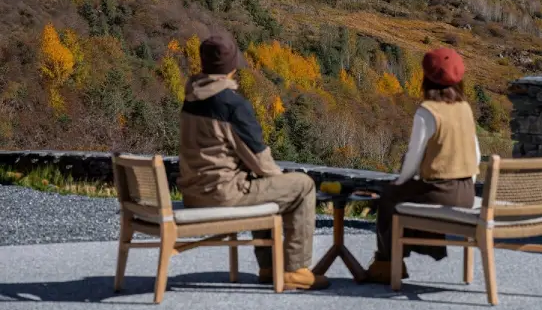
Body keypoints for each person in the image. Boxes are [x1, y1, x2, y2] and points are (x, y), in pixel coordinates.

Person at [178, 32, 329, 291]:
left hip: (193, 192)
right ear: (233, 66)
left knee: (262, 182)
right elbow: (261, 162)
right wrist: (280, 177)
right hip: (222, 195)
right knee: (302, 186)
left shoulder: (191, 99)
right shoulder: (232, 105)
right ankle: (296, 269)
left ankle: (269, 267)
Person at [366, 46, 480, 284]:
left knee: (389, 197)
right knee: (402, 195)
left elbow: (413, 159)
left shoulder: (427, 112)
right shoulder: (465, 108)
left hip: (439, 192)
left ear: (427, 77)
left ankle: (387, 263)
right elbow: (477, 155)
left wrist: (398, 182)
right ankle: (400, 257)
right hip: (467, 192)